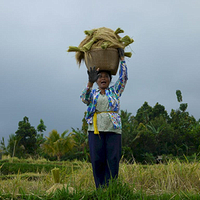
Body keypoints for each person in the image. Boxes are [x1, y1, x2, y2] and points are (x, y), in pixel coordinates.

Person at [80, 48, 128, 188]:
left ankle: (111, 188)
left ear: (109, 80)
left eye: (106, 76)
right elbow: (83, 98)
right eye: (100, 76)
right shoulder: (92, 93)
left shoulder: (115, 91)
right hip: (95, 129)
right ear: (96, 80)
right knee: (97, 159)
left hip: (113, 129)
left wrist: (122, 60)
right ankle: (100, 189)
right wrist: (89, 82)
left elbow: (123, 78)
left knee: (112, 159)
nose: (103, 79)